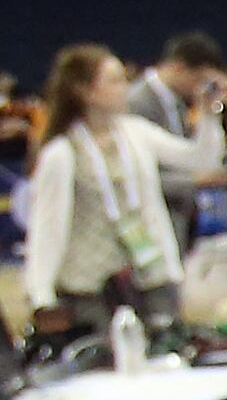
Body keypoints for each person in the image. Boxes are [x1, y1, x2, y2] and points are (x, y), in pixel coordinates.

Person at [23, 44, 183, 331]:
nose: (125, 88)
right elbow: (46, 229)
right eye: (114, 80)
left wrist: (210, 116)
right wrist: (41, 295)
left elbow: (199, 157)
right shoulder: (61, 153)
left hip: (142, 278)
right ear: (85, 92)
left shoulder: (134, 134)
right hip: (87, 290)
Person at [126, 31, 227, 209]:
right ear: (178, 68)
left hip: (180, 220)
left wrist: (209, 112)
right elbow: (136, 176)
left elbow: (200, 157)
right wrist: (195, 180)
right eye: (200, 79)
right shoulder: (136, 102)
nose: (200, 87)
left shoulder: (177, 102)